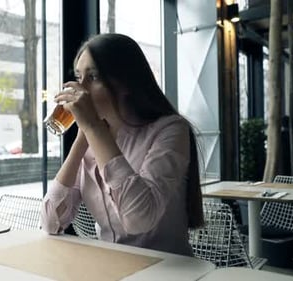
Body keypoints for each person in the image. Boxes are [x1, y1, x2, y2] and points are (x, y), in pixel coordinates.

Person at [40, 33, 204, 256]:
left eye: (94, 77)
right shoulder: (91, 136)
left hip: (167, 270)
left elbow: (139, 219)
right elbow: (50, 223)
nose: (81, 89)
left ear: (126, 83)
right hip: (110, 268)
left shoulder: (170, 130)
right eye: (79, 77)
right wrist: (82, 138)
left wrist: (94, 130)